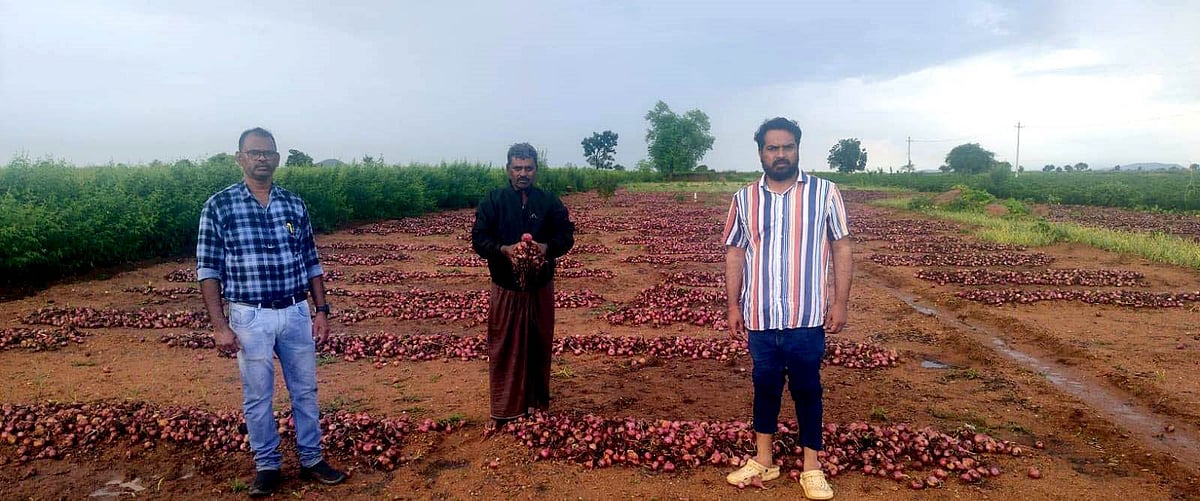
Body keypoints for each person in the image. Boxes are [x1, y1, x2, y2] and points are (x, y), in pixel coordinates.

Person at [197, 127, 346, 497]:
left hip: (295, 311)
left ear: (278, 158)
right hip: (250, 316)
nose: (262, 158)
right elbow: (208, 269)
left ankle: (312, 458)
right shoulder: (219, 205)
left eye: (268, 153)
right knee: (258, 395)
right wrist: (219, 326)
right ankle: (267, 465)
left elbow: (311, 260)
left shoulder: (293, 204)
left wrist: (321, 311)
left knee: (305, 391)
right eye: (254, 152)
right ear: (240, 158)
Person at [722, 117, 852, 500]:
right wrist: (733, 304)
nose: (780, 154)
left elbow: (841, 246)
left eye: (787, 147)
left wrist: (840, 301)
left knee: (808, 387)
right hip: (760, 314)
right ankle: (764, 458)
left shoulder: (825, 193)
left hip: (805, 314)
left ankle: (811, 465)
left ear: (798, 148)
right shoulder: (744, 198)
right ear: (761, 151)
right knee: (764, 385)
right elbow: (735, 251)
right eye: (772, 148)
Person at [471, 142, 575, 432]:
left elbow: (567, 236)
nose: (523, 173)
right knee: (504, 345)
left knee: (539, 344)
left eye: (528, 168)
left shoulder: (549, 202)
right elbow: (479, 240)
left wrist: (545, 247)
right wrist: (504, 249)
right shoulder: (493, 201)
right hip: (506, 286)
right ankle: (504, 410)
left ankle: (536, 404)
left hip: (540, 285)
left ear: (536, 170)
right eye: (517, 168)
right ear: (508, 170)